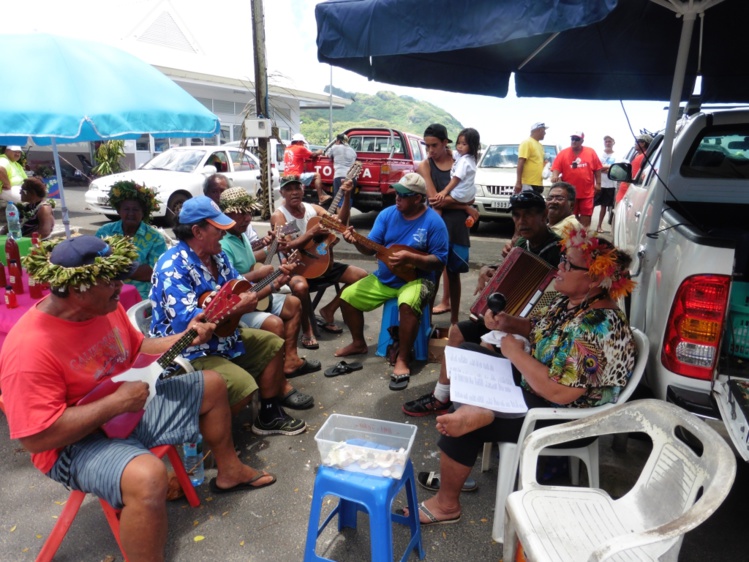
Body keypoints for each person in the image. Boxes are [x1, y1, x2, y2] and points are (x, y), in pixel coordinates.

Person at [0, 235, 277, 562]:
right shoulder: (29, 349)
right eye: (111, 279)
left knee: (212, 385)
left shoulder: (105, 306)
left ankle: (229, 472)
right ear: (77, 288)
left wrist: (187, 336)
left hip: (124, 411)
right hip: (72, 446)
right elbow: (37, 439)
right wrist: (116, 404)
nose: (122, 286)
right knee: (148, 476)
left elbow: (138, 347)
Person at [406, 227, 636, 526]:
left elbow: (560, 394)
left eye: (568, 264)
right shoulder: (573, 303)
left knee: (463, 421)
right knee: (471, 354)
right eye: (563, 260)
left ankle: (447, 504)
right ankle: (479, 419)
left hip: (567, 418)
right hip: (538, 391)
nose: (560, 267)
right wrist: (507, 323)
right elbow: (537, 329)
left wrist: (514, 352)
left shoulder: (596, 325)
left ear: (594, 278)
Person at [149, 196, 309, 434]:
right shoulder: (172, 267)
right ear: (197, 231)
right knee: (244, 386)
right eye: (218, 229)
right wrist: (238, 308)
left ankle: (268, 414)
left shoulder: (218, 256)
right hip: (190, 350)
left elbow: (243, 289)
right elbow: (193, 327)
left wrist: (275, 283)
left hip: (224, 338)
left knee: (274, 343)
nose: (225, 234)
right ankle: (199, 440)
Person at [403, 191, 561, 416]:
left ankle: (474, 404)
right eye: (516, 216)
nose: (521, 221)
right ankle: (441, 395)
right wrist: (489, 272)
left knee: (484, 346)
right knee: (458, 331)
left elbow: (558, 298)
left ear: (544, 214)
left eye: (528, 215)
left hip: (534, 329)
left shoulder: (559, 250)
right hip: (505, 318)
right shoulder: (523, 244)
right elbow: (508, 273)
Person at [335, 172, 449, 391]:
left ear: (418, 198)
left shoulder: (434, 222)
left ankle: (403, 358)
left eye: (404, 195)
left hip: (419, 279)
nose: (397, 198)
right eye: (396, 192)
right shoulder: (387, 215)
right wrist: (356, 242)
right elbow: (370, 250)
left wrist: (412, 258)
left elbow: (439, 261)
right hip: (385, 278)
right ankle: (358, 343)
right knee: (347, 296)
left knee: (407, 304)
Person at [218, 186, 321, 395]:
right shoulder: (222, 243)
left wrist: (270, 246)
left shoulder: (240, 236)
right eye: (241, 214)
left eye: (249, 213)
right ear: (226, 214)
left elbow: (250, 260)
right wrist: (260, 275)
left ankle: (291, 360)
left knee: (294, 304)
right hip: (238, 305)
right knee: (273, 322)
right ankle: (276, 385)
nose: (247, 218)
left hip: (257, 294)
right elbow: (229, 283)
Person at [271, 175, 368, 347]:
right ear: (282, 192)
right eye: (288, 189)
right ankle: (306, 328)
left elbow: (341, 224)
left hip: (320, 263)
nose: (294, 192)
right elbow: (285, 246)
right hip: (296, 267)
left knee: (361, 276)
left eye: (297, 188)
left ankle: (329, 309)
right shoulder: (280, 216)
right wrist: (311, 233)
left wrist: (346, 197)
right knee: (301, 287)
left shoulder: (313, 209)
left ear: (303, 189)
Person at [420, 123, 472, 326]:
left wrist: (465, 204)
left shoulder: (460, 160)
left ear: (445, 143)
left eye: (434, 145)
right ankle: (427, 322)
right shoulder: (425, 165)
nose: (430, 150)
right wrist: (465, 206)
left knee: (454, 273)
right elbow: (433, 199)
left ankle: (454, 322)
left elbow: (470, 194)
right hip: (435, 224)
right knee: (432, 274)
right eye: (427, 146)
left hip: (457, 226)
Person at [95, 180, 167, 299]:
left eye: (135, 210)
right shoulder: (105, 232)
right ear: (118, 211)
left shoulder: (155, 238)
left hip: (141, 297)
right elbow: (94, 263)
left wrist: (113, 268)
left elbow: (152, 272)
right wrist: (133, 269)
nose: (131, 213)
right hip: (107, 294)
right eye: (126, 209)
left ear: (143, 212)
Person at [551, 132, 602, 229]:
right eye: (572, 139)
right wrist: (555, 176)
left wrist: (598, 184)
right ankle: (569, 240)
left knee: (586, 217)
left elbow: (597, 169)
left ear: (582, 141)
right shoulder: (563, 153)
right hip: (569, 194)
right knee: (570, 218)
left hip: (587, 193)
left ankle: (583, 238)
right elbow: (556, 168)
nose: (574, 141)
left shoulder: (590, 152)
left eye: (577, 139)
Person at [431, 127, 481, 226]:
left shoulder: (464, 161)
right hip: (468, 194)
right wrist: (446, 150)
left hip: (459, 194)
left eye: (464, 144)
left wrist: (444, 192)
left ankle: (436, 224)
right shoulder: (468, 158)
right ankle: (467, 208)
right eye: (458, 143)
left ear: (472, 145)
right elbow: (453, 153)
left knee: (437, 202)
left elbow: (456, 179)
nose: (459, 147)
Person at [283, 133, 327, 204]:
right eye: (302, 143)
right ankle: (321, 197)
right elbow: (313, 155)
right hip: (296, 176)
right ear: (298, 142)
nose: (303, 144)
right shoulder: (300, 148)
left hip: (286, 176)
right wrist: (320, 151)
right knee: (317, 175)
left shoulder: (287, 149)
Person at [616, 133, 653, 205]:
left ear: (643, 143)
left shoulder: (641, 157)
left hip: (626, 196)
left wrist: (631, 194)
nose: (635, 143)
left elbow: (631, 179)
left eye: (637, 141)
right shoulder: (640, 155)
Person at [515, 122, 549, 194]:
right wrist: (518, 182)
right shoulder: (527, 143)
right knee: (526, 205)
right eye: (544, 131)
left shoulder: (540, 145)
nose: (545, 133)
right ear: (539, 130)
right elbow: (521, 162)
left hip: (538, 183)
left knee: (535, 205)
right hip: (528, 183)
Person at [595, 135, 618, 233]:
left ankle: (599, 226)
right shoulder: (599, 154)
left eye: (610, 141)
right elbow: (596, 168)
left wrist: (603, 168)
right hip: (598, 184)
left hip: (610, 185)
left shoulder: (617, 156)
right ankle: (585, 225)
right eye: (606, 141)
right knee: (591, 205)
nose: (608, 143)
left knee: (604, 206)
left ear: (613, 142)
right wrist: (608, 168)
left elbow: (616, 170)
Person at [326, 133, 358, 200]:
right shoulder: (353, 151)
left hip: (339, 176)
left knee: (338, 201)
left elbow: (327, 155)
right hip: (352, 178)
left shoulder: (335, 147)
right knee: (348, 199)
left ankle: (339, 210)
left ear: (338, 141)